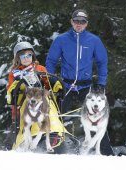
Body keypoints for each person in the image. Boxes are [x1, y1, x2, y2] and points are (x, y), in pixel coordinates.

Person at [45, 9, 114, 155]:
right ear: (71, 21)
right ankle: (54, 148)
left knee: (98, 116)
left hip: (86, 85)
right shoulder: (61, 39)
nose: (79, 24)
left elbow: (102, 62)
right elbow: (51, 60)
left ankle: (106, 152)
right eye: (76, 21)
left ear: (86, 24)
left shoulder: (94, 40)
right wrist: (51, 78)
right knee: (56, 115)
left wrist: (101, 82)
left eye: (82, 22)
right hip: (66, 84)